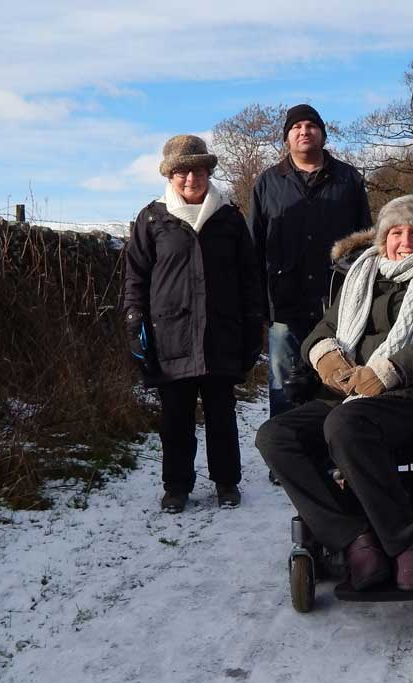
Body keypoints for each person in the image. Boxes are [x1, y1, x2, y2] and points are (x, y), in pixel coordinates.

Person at [255, 194, 413, 592]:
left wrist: (391, 370)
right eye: (396, 232)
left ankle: (407, 541)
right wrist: (326, 357)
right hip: (350, 397)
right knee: (276, 436)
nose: (405, 242)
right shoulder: (362, 273)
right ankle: (353, 538)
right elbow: (323, 330)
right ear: (382, 238)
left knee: (346, 425)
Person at [124, 135, 265, 514]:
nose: (191, 178)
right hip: (171, 334)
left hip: (221, 332)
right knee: (175, 418)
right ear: (170, 176)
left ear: (209, 172)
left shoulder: (229, 217)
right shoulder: (152, 218)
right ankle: (177, 486)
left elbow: (250, 277)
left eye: (199, 170)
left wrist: (254, 324)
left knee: (222, 413)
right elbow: (136, 277)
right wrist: (134, 320)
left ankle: (226, 483)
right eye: (183, 171)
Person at [248, 104, 373, 422]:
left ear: (323, 134)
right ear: (287, 138)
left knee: (338, 379)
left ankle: (334, 456)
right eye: (296, 127)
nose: (304, 131)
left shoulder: (348, 179)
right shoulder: (267, 183)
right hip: (285, 304)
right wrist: (260, 305)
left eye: (311, 125)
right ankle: (287, 462)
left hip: (339, 303)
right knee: (284, 384)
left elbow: (366, 242)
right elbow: (255, 246)